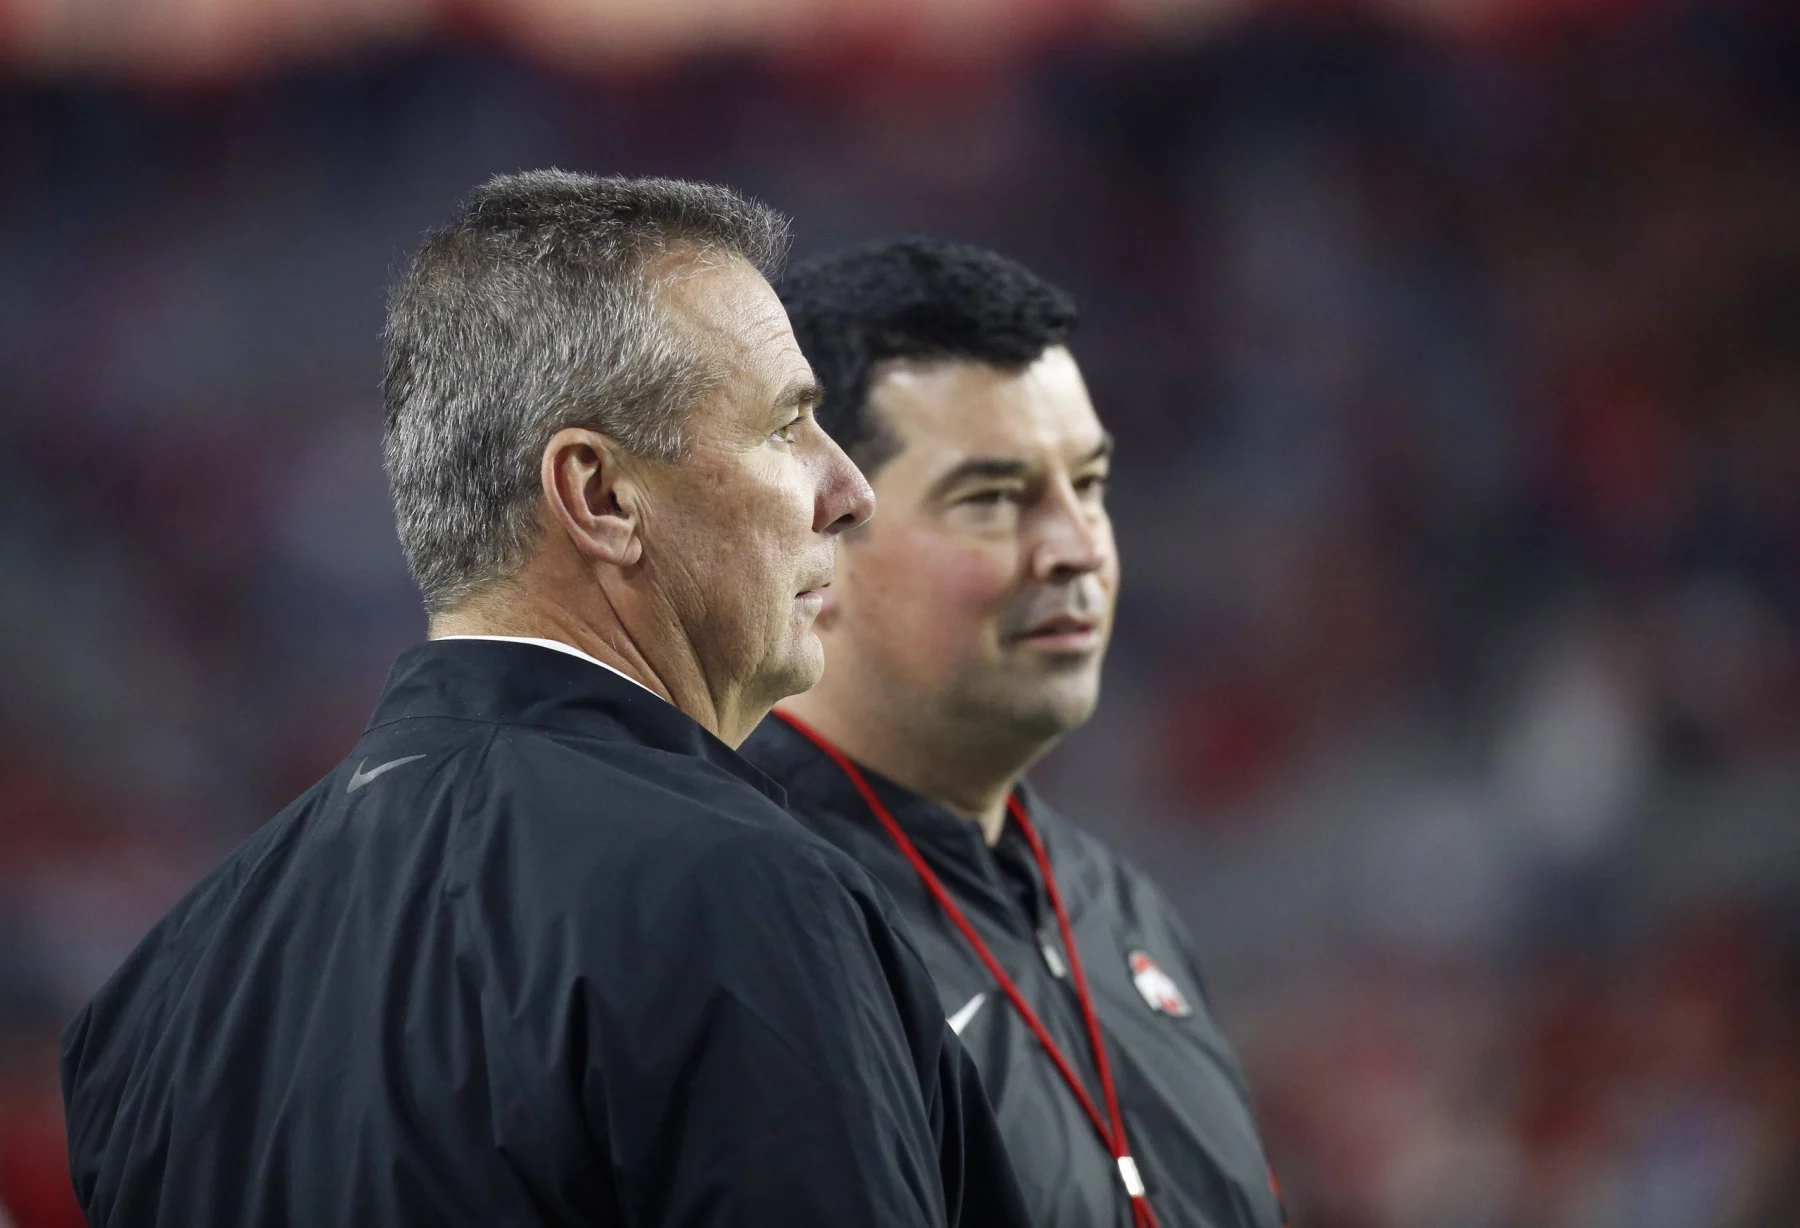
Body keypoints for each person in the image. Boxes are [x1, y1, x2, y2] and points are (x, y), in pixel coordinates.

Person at [61, 176, 1034, 1228]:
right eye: (785, 426)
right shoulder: (738, 894)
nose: (850, 490)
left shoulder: (161, 987)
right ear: (601, 497)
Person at [742, 237, 1287, 1228]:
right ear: (811, 540)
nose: (1078, 547)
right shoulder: (742, 930)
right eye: (993, 499)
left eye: (1091, 485)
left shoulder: (1124, 912)